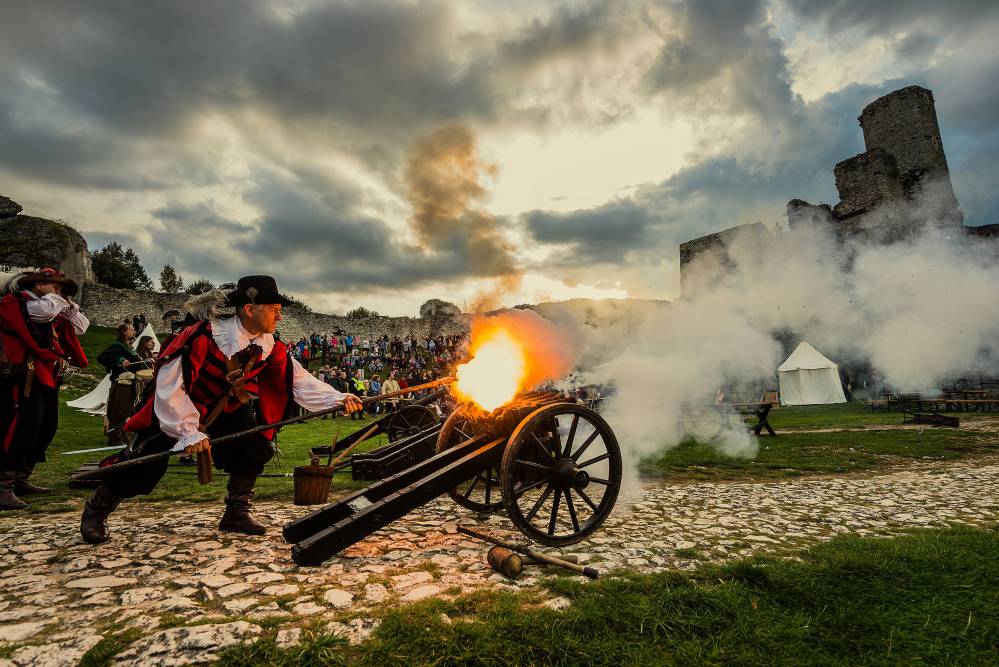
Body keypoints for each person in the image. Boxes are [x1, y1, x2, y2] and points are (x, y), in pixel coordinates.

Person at [78, 275, 362, 543]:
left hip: (222, 408)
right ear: (249, 309)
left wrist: (338, 399)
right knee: (143, 465)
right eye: (274, 309)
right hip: (174, 407)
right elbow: (170, 385)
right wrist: (188, 430)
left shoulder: (268, 346)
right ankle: (97, 510)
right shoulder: (201, 337)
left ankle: (236, 513)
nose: (280, 316)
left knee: (254, 448)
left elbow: (297, 379)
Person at [0, 268, 89, 510]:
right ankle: (3, 486)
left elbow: (81, 327)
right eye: (55, 286)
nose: (59, 292)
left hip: (45, 376)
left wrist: (69, 306)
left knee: (45, 427)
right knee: (19, 428)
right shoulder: (17, 303)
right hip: (22, 375)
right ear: (38, 284)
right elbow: (44, 313)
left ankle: (21, 478)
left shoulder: (47, 307)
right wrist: (59, 300)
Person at [97, 324, 143, 447]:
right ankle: (114, 439)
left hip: (132, 382)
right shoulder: (117, 346)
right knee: (119, 410)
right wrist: (120, 360)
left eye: (134, 329)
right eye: (131, 330)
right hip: (122, 383)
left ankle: (123, 437)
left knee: (126, 411)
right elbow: (102, 357)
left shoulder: (130, 347)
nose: (134, 331)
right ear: (123, 332)